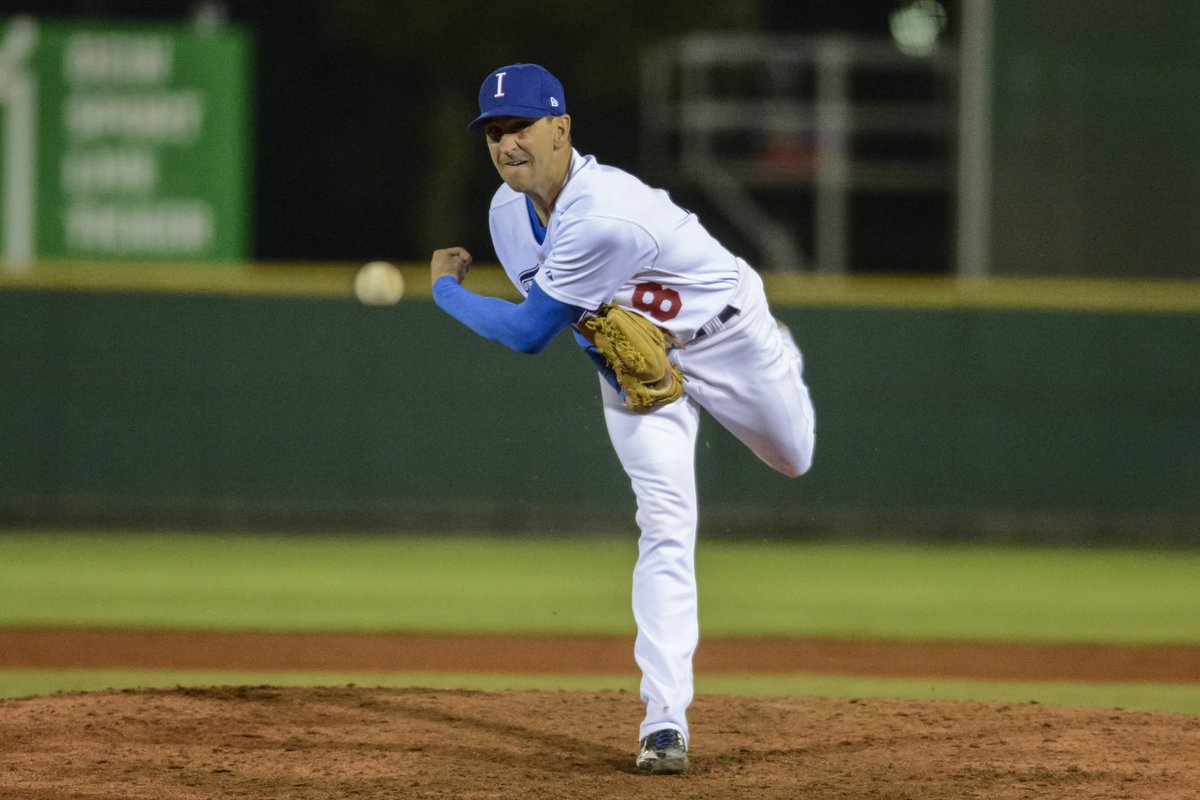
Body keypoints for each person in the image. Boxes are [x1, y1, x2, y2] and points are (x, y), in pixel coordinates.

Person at [430, 63, 816, 775]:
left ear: (562, 127)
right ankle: (663, 722)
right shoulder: (505, 216)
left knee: (793, 456)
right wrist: (622, 372)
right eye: (493, 131)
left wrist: (445, 291)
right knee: (665, 525)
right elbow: (583, 328)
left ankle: (782, 349)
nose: (507, 144)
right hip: (648, 378)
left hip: (728, 338)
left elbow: (525, 333)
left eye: (520, 126)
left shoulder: (601, 211)